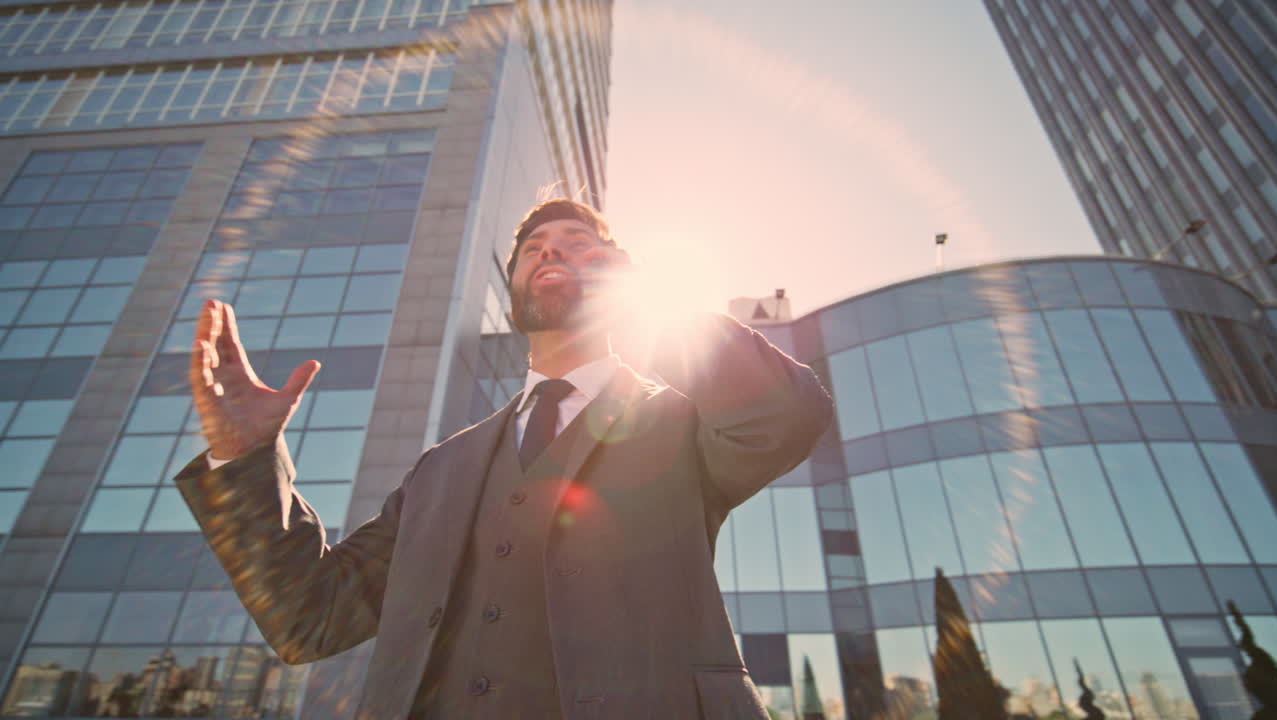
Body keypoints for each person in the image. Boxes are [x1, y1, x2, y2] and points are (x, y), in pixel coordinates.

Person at [177, 199, 832, 719]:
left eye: (581, 245)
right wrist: (248, 461)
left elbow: (785, 417)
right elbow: (310, 616)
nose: (552, 254)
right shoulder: (441, 468)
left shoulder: (684, 415)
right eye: (534, 250)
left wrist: (648, 305)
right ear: (513, 285)